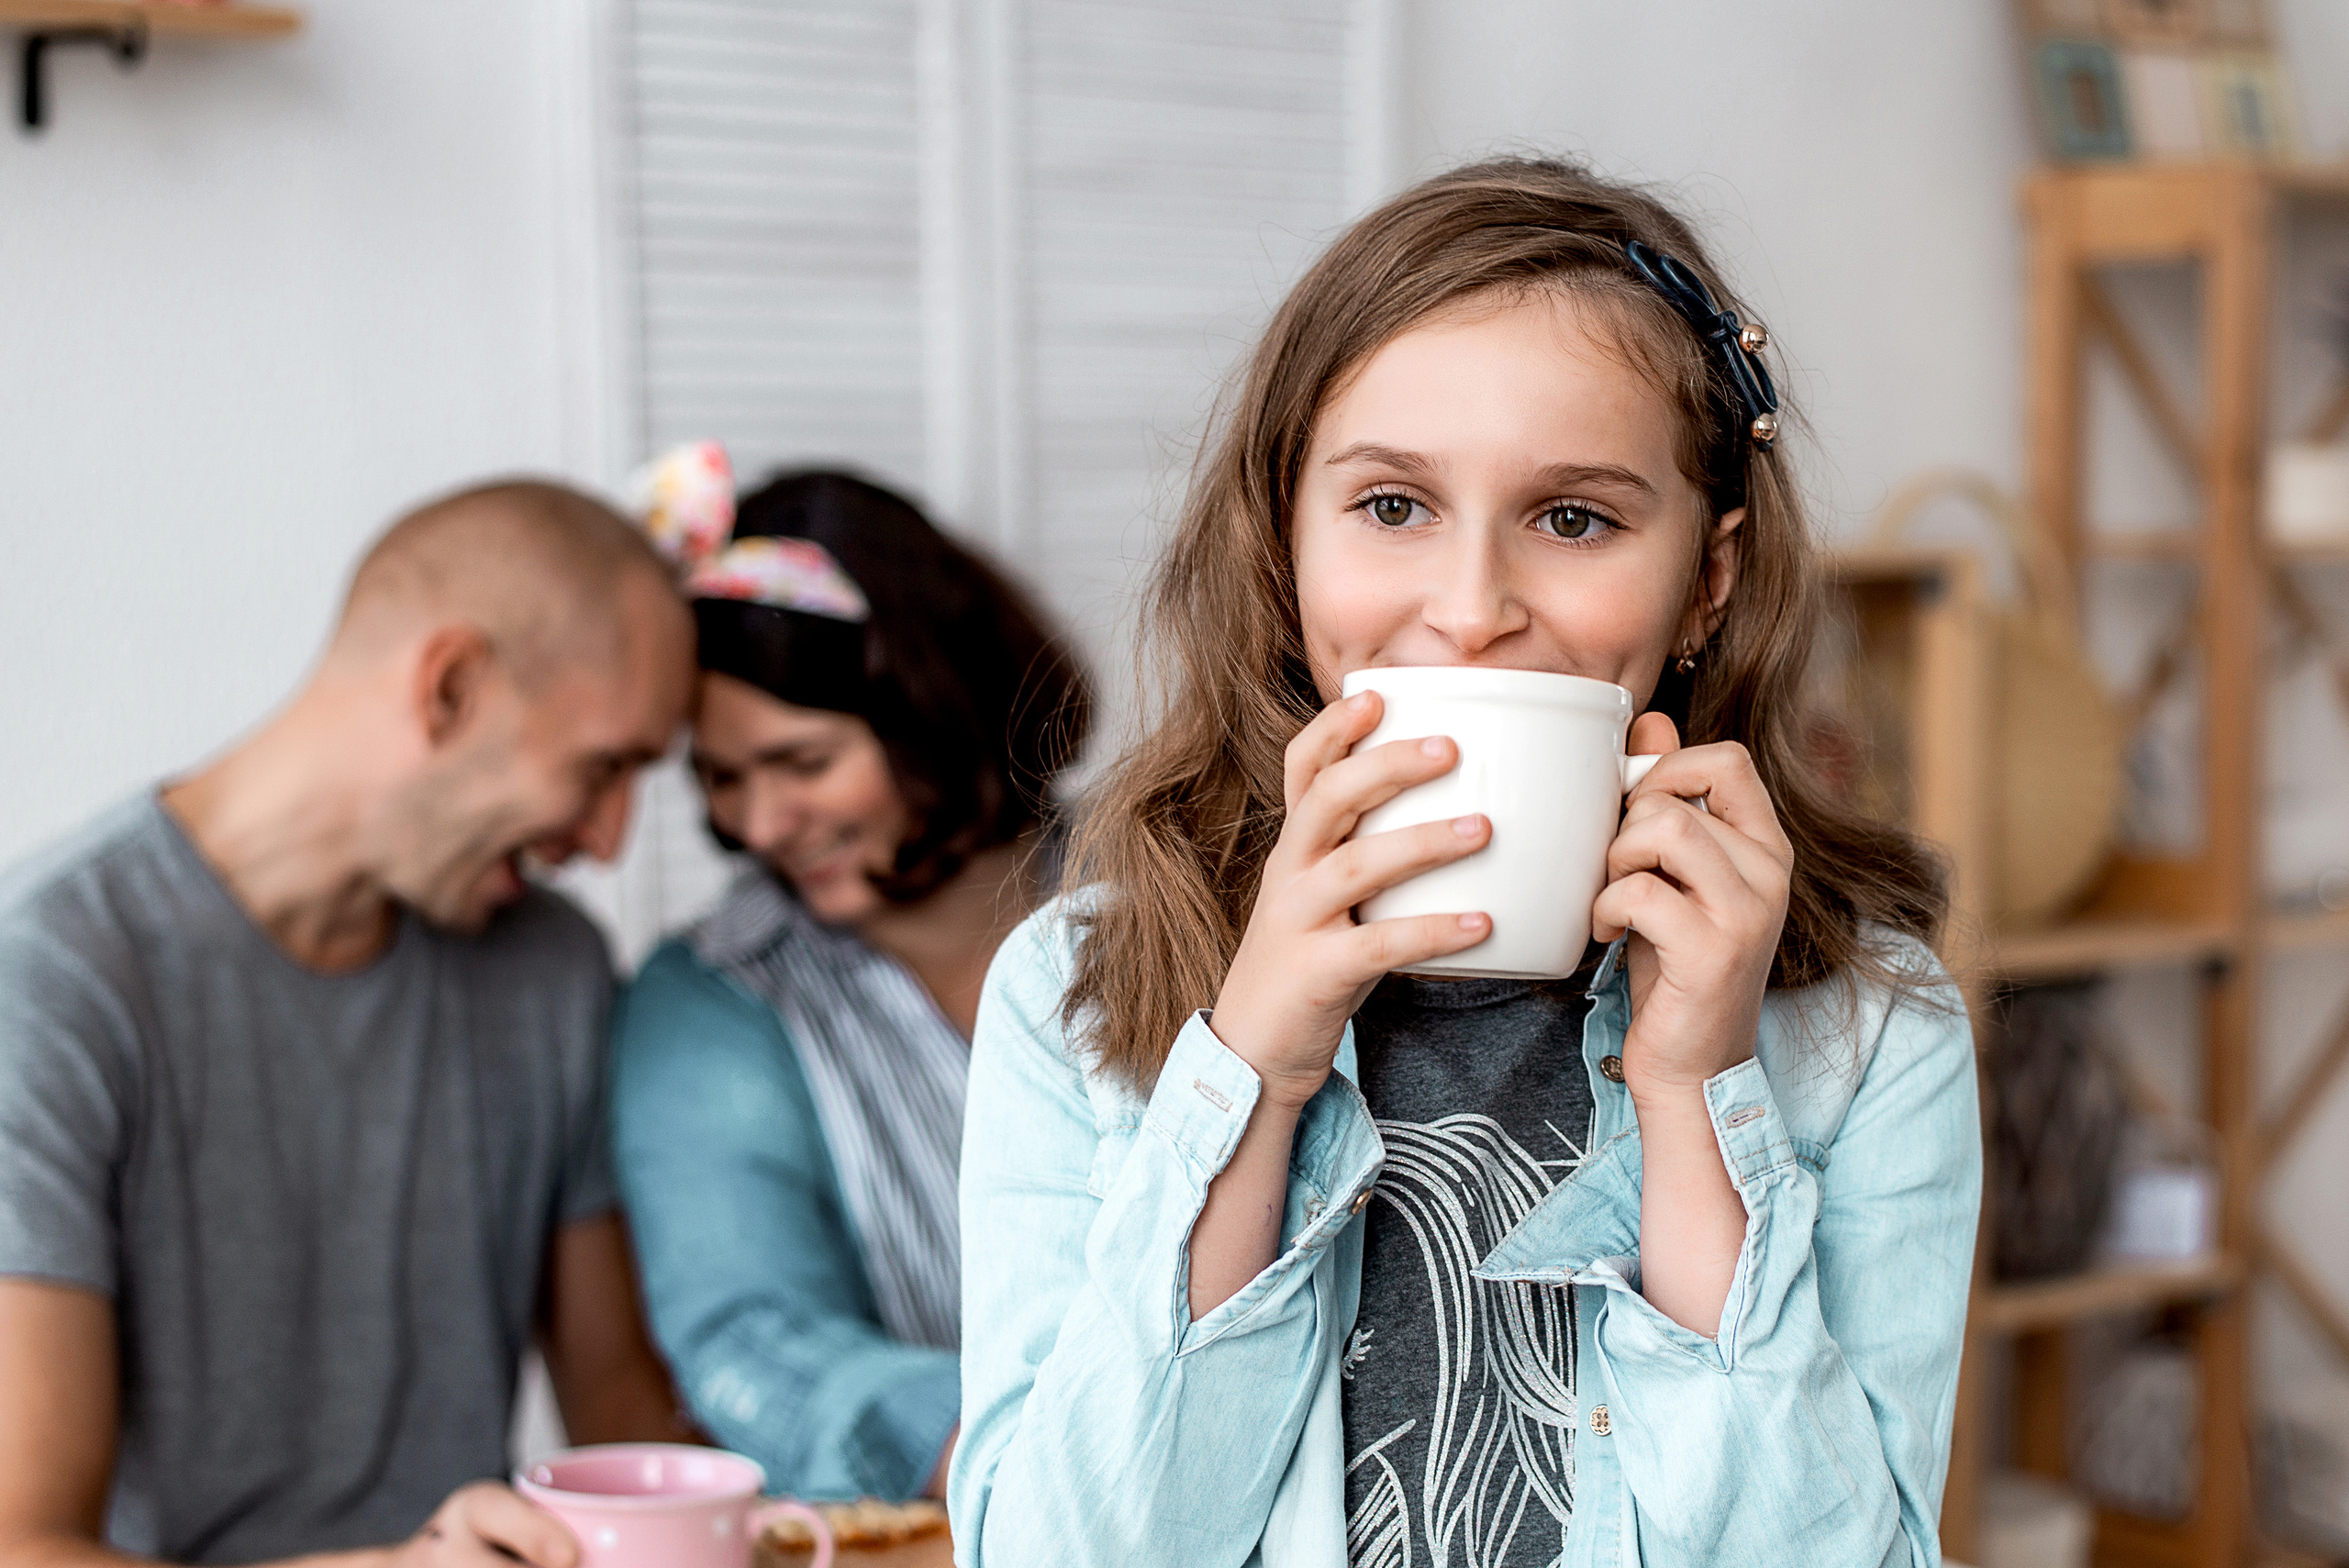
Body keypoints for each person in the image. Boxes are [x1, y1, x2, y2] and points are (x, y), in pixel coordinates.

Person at [951, 158, 1981, 1566]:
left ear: (1710, 578)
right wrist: (1248, 1071)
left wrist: (1694, 1096)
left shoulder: (1872, 1034)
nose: (1472, 609)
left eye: (1575, 519)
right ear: (1284, 545)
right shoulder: (1073, 995)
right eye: (1391, 507)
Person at [0, 480, 698, 1568]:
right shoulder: (51, 981)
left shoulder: (550, 968)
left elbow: (620, 1412)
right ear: (451, 686)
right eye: (603, 768)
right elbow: (24, 1543)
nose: (609, 842)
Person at [611, 462, 1091, 1506]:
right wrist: (1039, 1474)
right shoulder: (709, 1000)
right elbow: (754, 1333)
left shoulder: (1185, 894)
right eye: (722, 777)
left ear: (934, 707)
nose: (758, 825)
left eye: (804, 760)